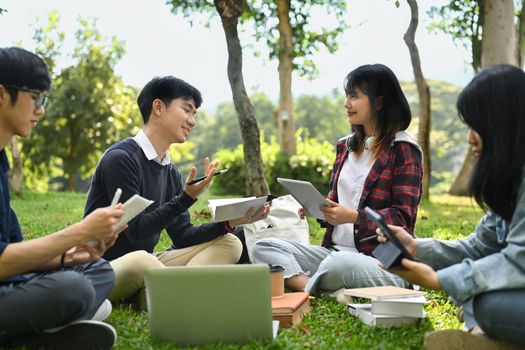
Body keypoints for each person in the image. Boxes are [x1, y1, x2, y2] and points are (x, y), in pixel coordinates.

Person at [84, 75, 270, 307]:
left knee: (231, 243)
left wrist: (230, 223)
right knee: (143, 260)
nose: (192, 121)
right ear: (159, 107)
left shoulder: (170, 171)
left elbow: (183, 235)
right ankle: (166, 293)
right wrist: (186, 198)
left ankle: (160, 293)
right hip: (107, 268)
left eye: (194, 114)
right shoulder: (121, 159)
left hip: (149, 264)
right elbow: (136, 232)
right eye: (187, 110)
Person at [376, 64, 525, 349]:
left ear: (502, 125)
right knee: (470, 288)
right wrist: (417, 249)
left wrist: (437, 279)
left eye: (476, 126)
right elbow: (481, 247)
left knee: (483, 300)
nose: (471, 138)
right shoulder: (512, 177)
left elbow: (519, 260)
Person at [252, 64, 423, 297]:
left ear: (379, 102)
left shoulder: (403, 149)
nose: (347, 103)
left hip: (381, 260)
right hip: (332, 252)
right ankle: (316, 288)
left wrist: (353, 217)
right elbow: (338, 201)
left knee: (338, 265)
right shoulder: (346, 146)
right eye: (347, 95)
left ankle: (317, 285)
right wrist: (320, 209)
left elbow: (402, 218)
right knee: (264, 246)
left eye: (354, 96)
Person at [0, 47, 125, 349]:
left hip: (12, 285)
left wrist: (66, 257)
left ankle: (37, 334)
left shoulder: (1, 164)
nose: (41, 110)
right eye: (36, 98)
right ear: (3, 94)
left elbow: (14, 251)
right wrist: (83, 230)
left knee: (98, 270)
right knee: (73, 290)